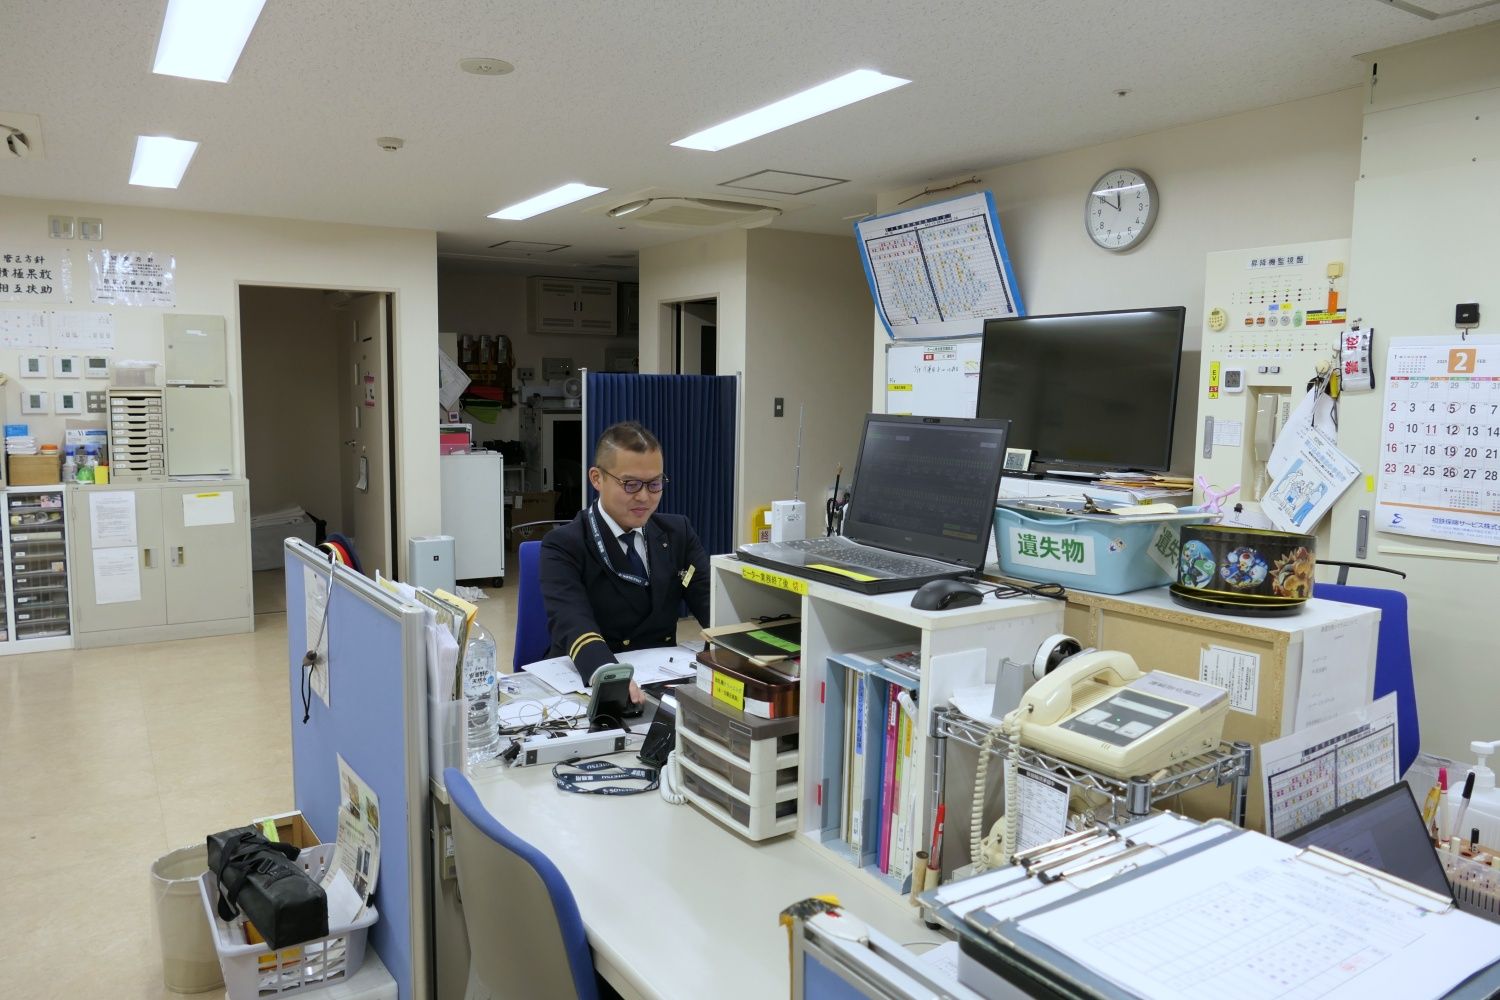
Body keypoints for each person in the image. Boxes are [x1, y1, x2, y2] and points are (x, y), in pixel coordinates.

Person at [539, 421, 711, 704]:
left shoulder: (677, 533)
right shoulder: (564, 544)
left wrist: (738, 649)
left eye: (654, 484)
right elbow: (571, 620)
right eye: (630, 484)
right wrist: (607, 674)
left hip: (661, 679)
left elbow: (709, 603)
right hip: (592, 677)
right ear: (597, 478)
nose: (644, 497)